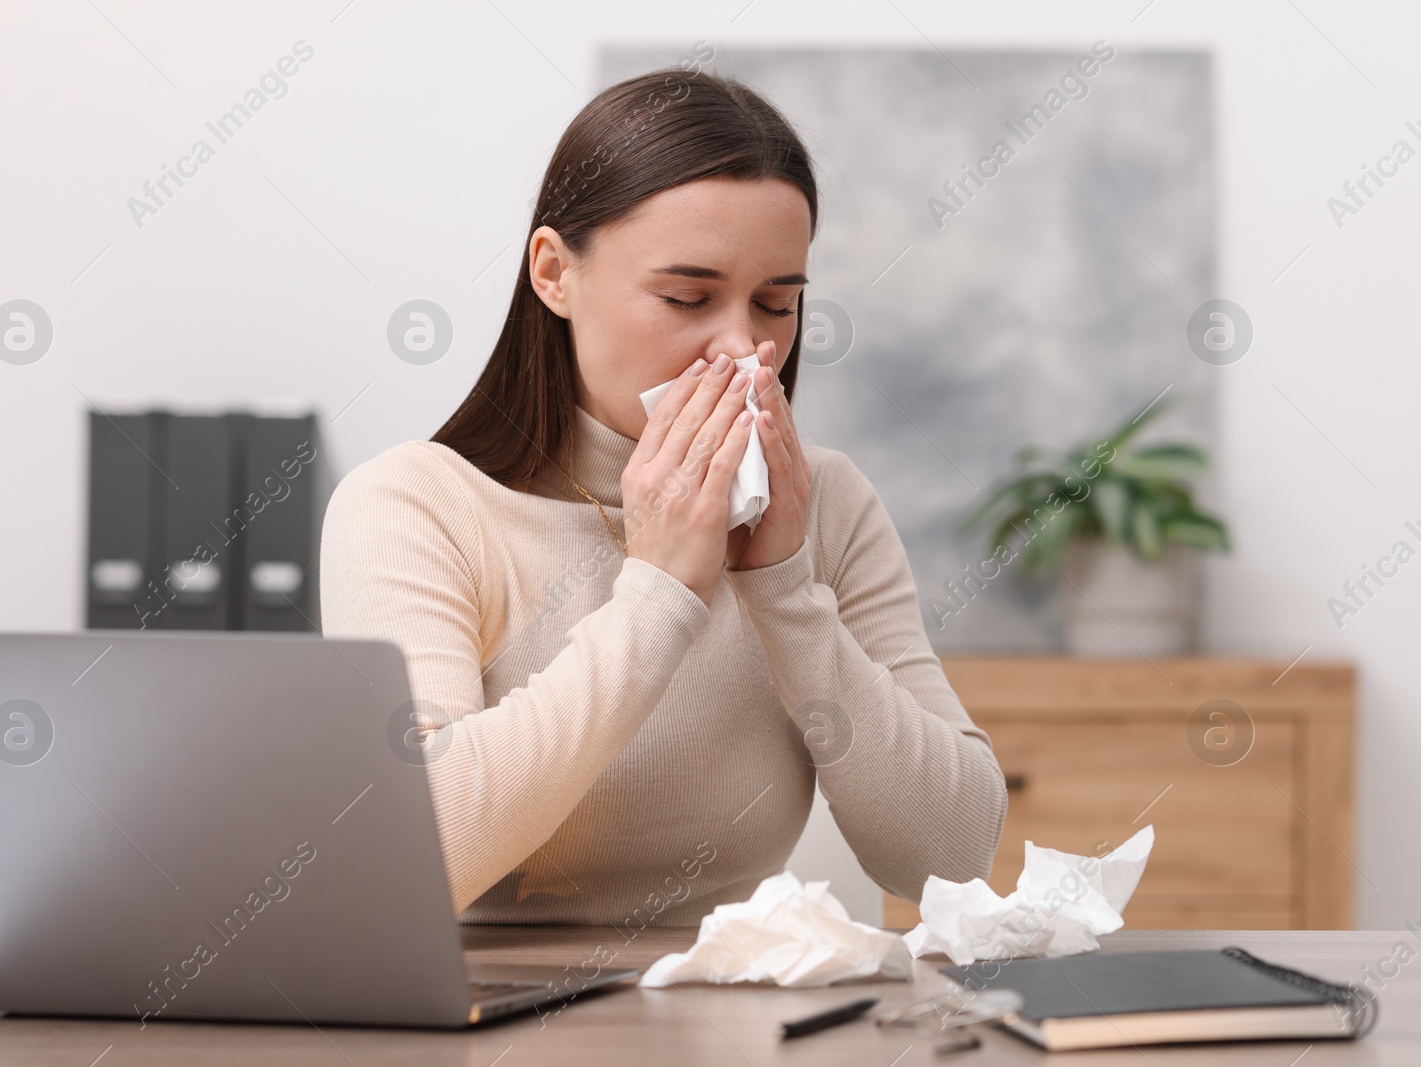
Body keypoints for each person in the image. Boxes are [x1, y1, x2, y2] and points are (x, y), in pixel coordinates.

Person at [321, 65, 1007, 926]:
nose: (741, 347)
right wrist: (660, 591)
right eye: (687, 296)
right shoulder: (414, 506)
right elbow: (417, 856)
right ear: (552, 273)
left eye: (776, 304)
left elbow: (952, 858)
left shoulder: (822, 502)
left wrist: (787, 591)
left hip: (737, 1019)